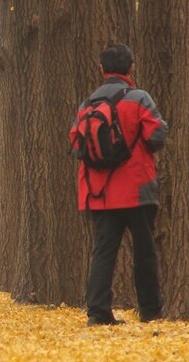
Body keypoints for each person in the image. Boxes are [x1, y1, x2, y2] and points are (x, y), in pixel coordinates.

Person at [70, 44, 168, 326]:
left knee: (103, 252)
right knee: (144, 251)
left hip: (97, 193)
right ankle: (150, 310)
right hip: (137, 189)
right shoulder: (139, 99)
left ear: (102, 70)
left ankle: (98, 312)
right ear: (131, 68)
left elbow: (77, 142)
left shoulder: (87, 105)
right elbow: (156, 134)